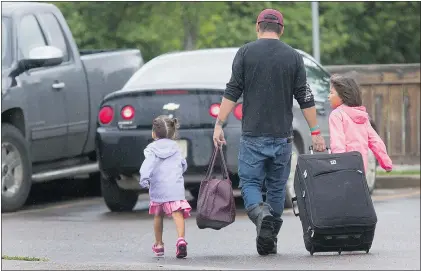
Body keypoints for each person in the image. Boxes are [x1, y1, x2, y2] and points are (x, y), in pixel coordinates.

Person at [212, 8, 326, 255]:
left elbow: (232, 90)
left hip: (253, 135)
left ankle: (260, 215)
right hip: (283, 137)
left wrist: (220, 123)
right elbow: (305, 97)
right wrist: (315, 132)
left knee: (250, 182)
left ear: (258, 26)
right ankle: (269, 239)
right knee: (276, 187)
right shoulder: (294, 57)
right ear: (281, 29)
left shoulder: (245, 53)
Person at [139, 115, 191, 259]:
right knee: (177, 214)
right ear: (173, 133)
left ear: (153, 133)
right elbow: (183, 164)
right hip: (175, 188)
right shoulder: (176, 147)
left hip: (158, 188)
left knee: (158, 215)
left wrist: (144, 178)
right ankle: (181, 239)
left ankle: (159, 244)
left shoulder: (151, 149)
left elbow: (147, 165)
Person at [328, 74, 393, 173]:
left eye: (331, 93)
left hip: (344, 168)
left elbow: (337, 143)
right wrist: (386, 163)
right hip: (361, 168)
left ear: (342, 96)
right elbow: (376, 141)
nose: (328, 96)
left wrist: (338, 165)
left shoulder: (337, 115)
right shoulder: (363, 117)